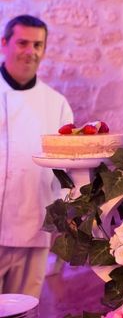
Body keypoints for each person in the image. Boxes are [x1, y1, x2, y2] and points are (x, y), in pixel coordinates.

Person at [0, 15, 73, 297]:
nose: (30, 51)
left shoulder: (56, 104)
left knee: (25, 308)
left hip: (33, 226)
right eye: (22, 43)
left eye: (37, 44)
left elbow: (65, 168)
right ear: (4, 44)